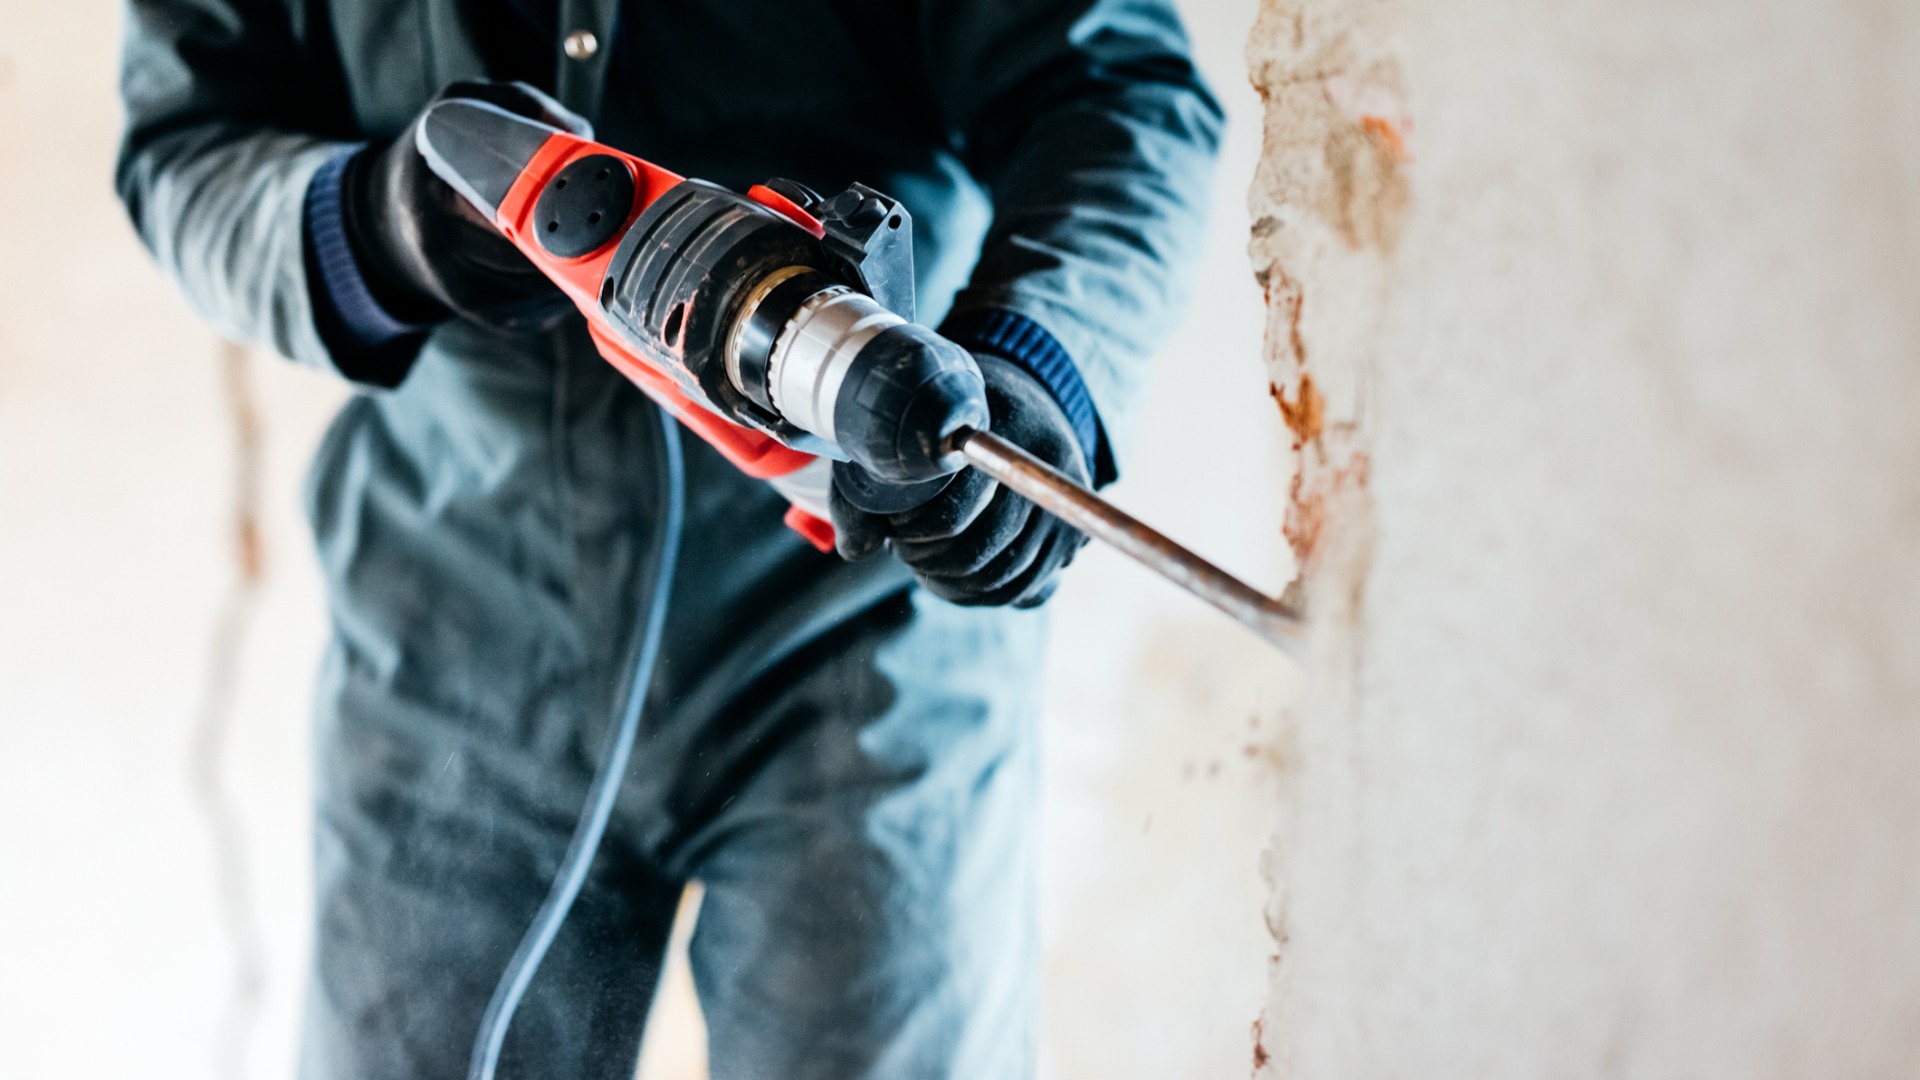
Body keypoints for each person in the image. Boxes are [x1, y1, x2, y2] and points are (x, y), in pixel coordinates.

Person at [117, 1, 1221, 1076]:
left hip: (866, 652)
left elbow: (1113, 92)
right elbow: (189, 149)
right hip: (454, 636)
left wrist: (1043, 361)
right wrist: (375, 225)